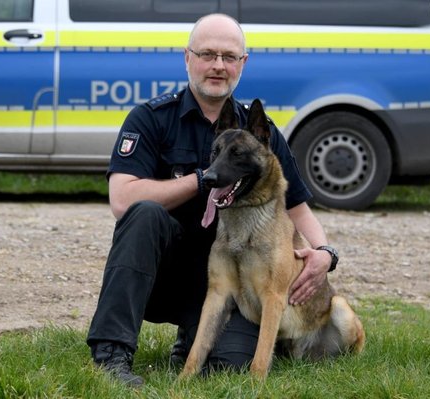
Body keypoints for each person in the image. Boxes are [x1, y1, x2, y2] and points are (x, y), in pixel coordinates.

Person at [86, 13, 337, 387]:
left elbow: (297, 207)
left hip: (230, 282)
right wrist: (201, 180)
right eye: (207, 54)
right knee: (143, 214)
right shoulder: (151, 118)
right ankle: (111, 354)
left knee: (229, 367)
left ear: (242, 64)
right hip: (162, 272)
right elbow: (121, 199)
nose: (218, 65)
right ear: (187, 58)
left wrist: (324, 254)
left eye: (229, 57)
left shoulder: (260, 135)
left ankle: (190, 340)